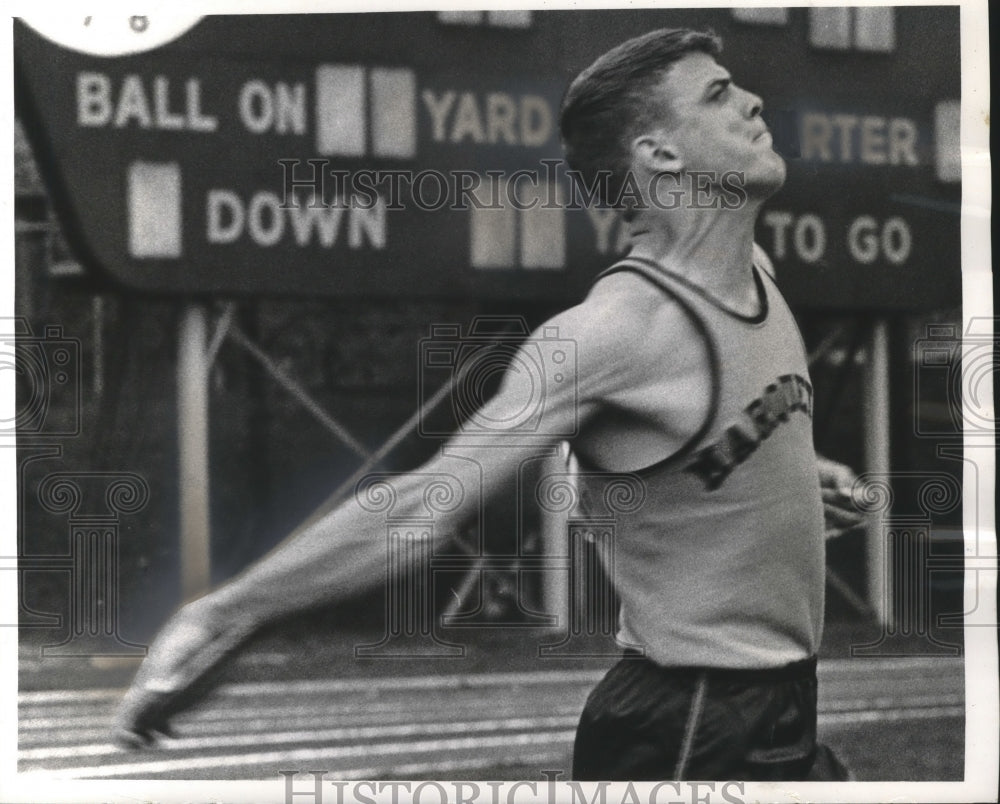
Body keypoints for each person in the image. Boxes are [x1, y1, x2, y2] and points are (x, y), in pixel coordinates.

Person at [113, 27, 865, 781]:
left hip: (779, 708)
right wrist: (224, 613)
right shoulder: (613, 333)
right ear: (660, 156)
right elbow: (420, 506)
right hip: (691, 727)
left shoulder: (754, 273)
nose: (753, 100)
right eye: (718, 94)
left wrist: (790, 466)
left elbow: (716, 424)